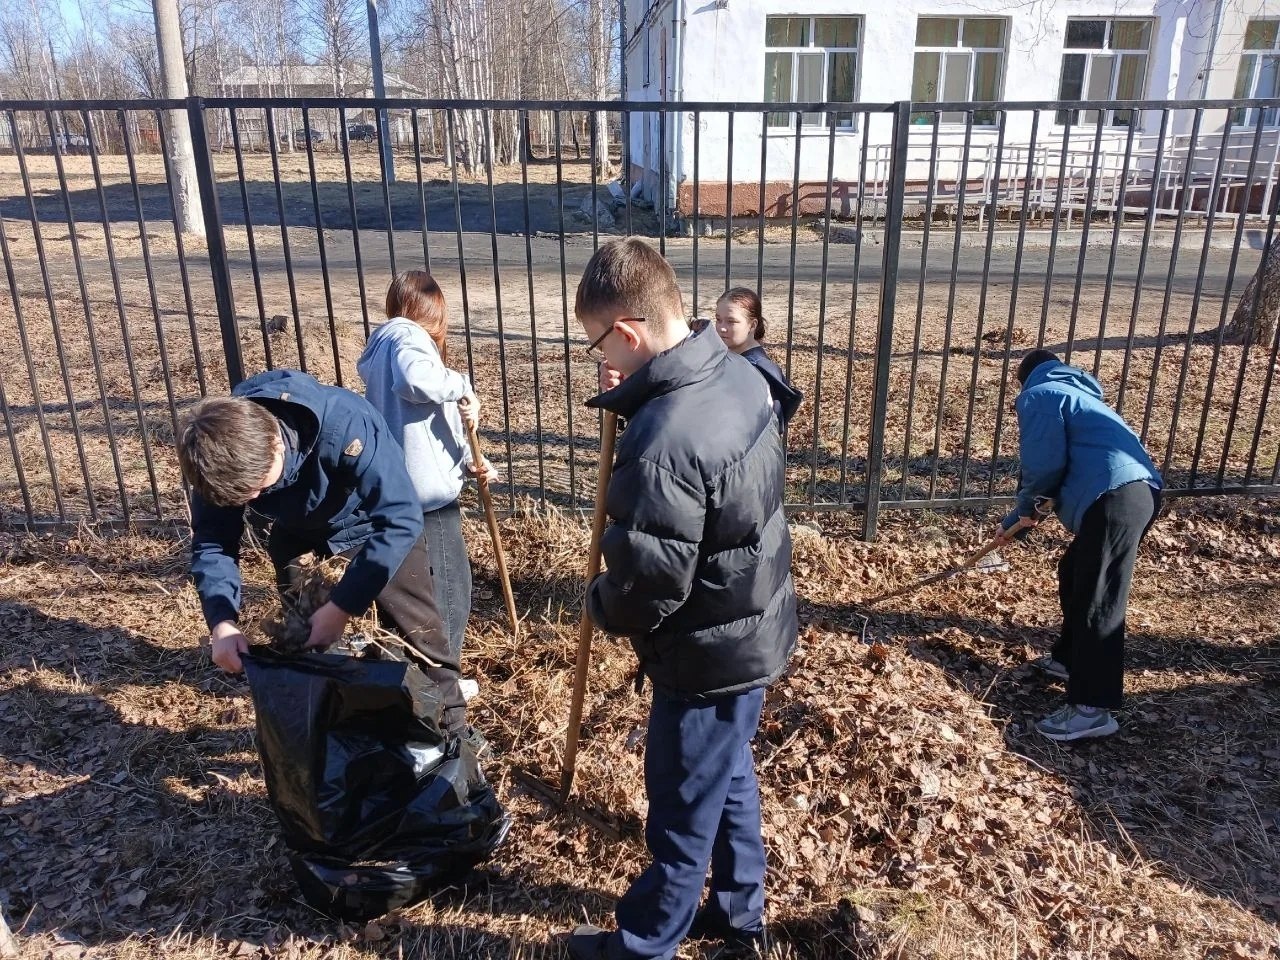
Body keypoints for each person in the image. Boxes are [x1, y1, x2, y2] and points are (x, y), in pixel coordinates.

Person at [567, 239, 798, 960]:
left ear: (628, 331)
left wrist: (602, 602)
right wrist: (626, 390)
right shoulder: (736, 372)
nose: (599, 355)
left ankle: (644, 945)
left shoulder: (664, 440)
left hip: (704, 654)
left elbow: (648, 583)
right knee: (728, 776)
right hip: (752, 626)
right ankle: (739, 914)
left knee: (680, 808)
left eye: (598, 342)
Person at [177, 369, 480, 749]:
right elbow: (213, 541)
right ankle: (346, 739)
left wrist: (342, 606)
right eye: (243, 496)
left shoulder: (345, 423)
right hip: (298, 531)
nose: (252, 499)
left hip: (371, 524)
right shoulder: (217, 457)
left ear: (275, 443)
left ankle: (454, 738)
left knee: (422, 640)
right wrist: (221, 621)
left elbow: (400, 518)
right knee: (305, 645)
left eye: (258, 486)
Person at [995, 349, 1163, 743]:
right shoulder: (1081, 396)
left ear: (1025, 378)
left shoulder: (1040, 395)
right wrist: (1023, 520)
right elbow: (1064, 473)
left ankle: (1091, 708)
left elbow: (1044, 469)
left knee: (1098, 597)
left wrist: (1020, 515)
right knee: (1074, 572)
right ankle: (1069, 659)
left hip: (1116, 497)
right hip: (1138, 493)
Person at [358, 270, 496, 712]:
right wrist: (462, 384)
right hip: (428, 500)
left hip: (399, 491)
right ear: (432, 311)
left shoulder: (382, 345)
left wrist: (466, 455)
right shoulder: (407, 336)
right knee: (450, 589)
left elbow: (421, 419)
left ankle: (408, 680)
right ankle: (441, 686)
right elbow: (416, 381)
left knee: (411, 597)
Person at [713, 287, 803, 428]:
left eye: (731, 321)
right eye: (718, 319)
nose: (721, 328)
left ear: (752, 325)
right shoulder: (729, 358)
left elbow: (768, 426)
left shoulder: (757, 370)